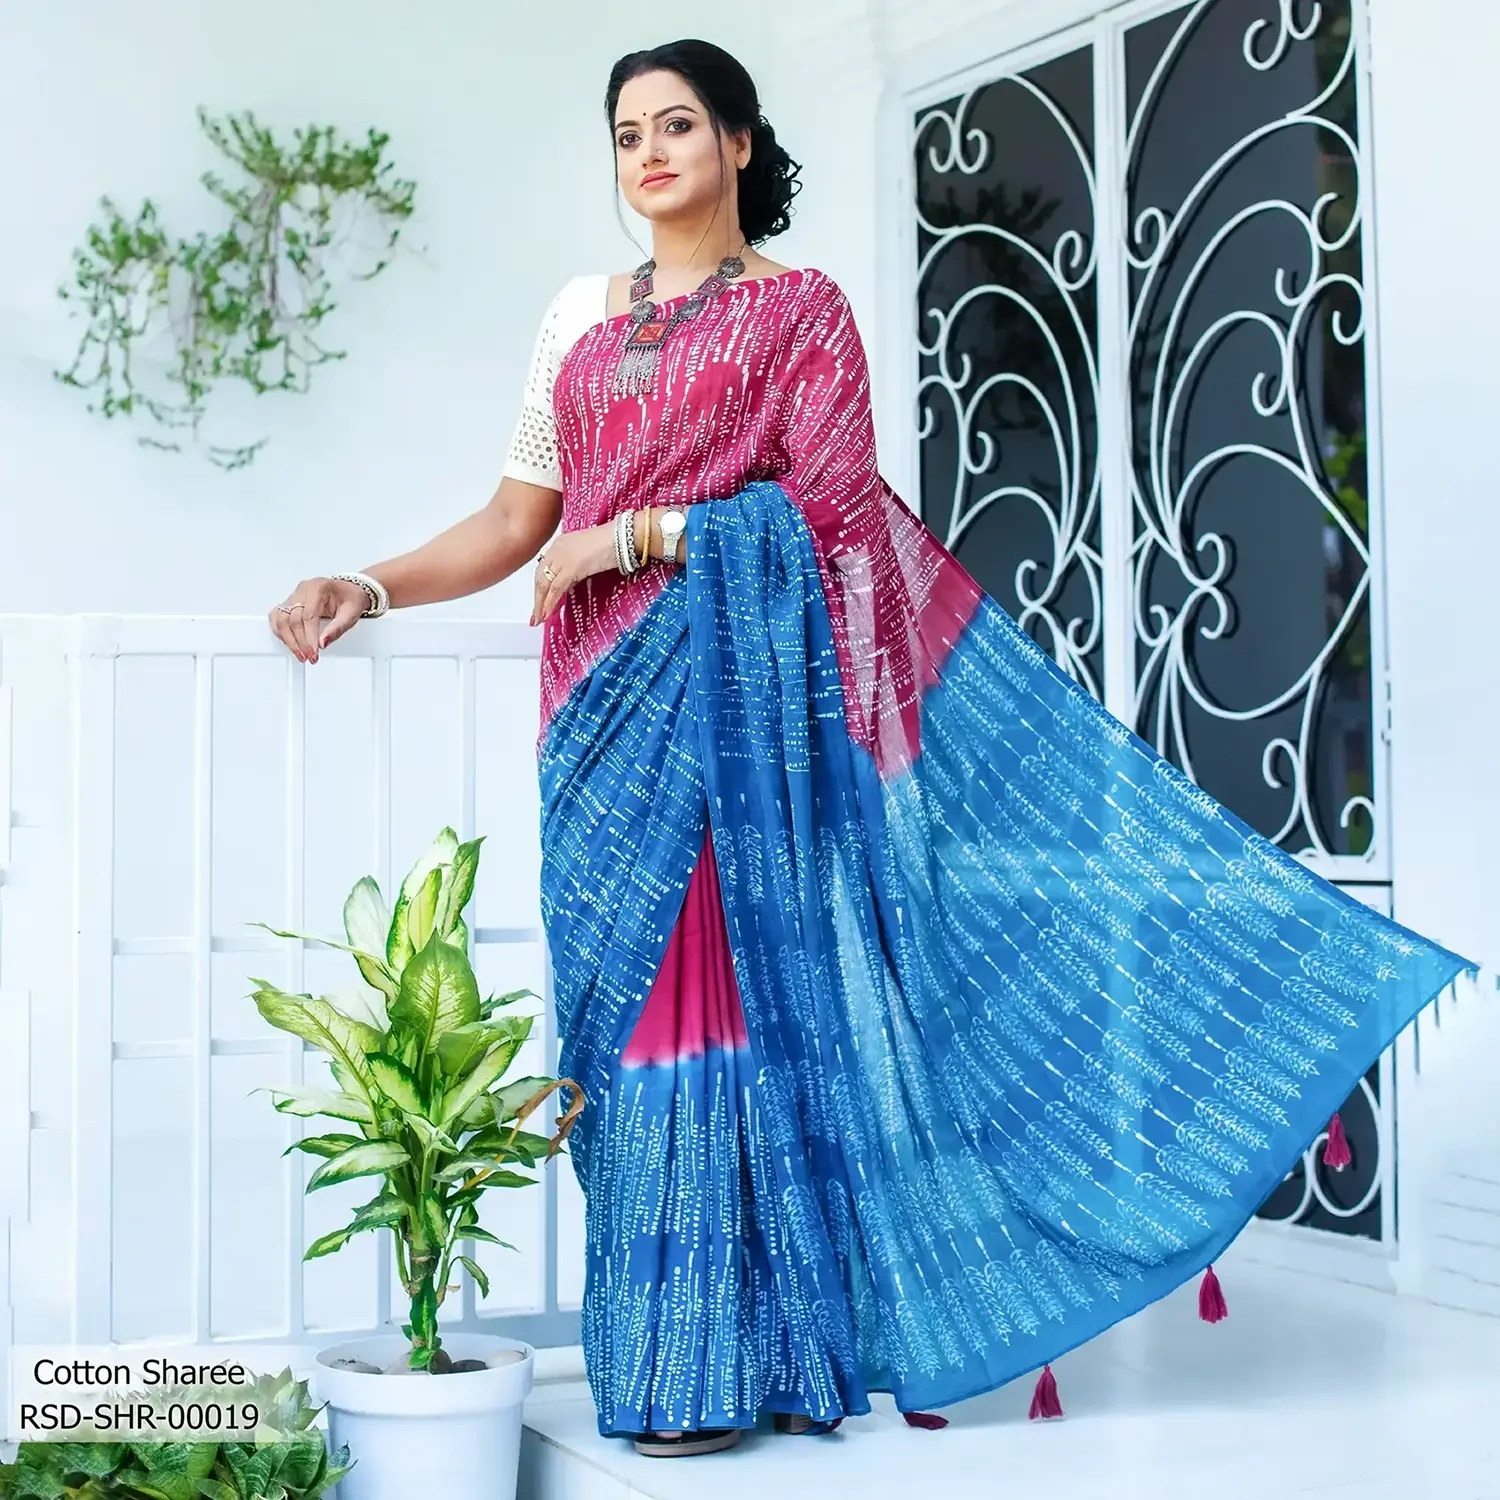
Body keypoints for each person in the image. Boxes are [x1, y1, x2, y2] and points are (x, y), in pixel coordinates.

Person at [269, 38, 1475, 1460]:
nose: (647, 153)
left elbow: (834, 518)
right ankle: (704, 1352)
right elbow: (514, 521)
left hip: (740, 723)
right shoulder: (575, 321)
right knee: (620, 1030)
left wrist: (637, 534)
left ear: (738, 142)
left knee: (727, 1025)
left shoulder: (803, 313)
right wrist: (370, 583)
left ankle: (714, 1376)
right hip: (598, 721)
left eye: (676, 125)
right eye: (626, 134)